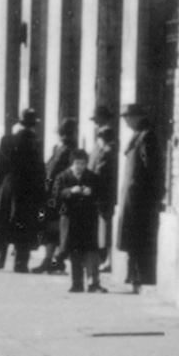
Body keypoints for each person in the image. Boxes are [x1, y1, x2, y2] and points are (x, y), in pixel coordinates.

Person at [0, 110, 45, 272]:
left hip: (8, 186)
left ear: (19, 123)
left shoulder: (7, 140)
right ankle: (21, 263)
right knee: (24, 225)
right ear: (34, 125)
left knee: (2, 224)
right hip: (28, 189)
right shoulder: (36, 142)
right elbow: (40, 170)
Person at [116, 103, 163, 292]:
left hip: (140, 199)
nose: (125, 121)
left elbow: (152, 168)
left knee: (138, 238)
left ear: (136, 117)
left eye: (127, 117)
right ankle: (133, 276)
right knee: (133, 238)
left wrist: (152, 196)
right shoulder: (139, 135)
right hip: (133, 196)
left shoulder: (147, 136)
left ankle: (140, 278)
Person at [54, 148, 105, 292]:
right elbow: (55, 196)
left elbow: (102, 194)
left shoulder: (92, 177)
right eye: (77, 163)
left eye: (83, 163)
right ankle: (77, 283)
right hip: (70, 220)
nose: (80, 166)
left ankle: (93, 283)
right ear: (72, 163)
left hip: (88, 219)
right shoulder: (63, 176)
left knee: (90, 251)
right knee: (74, 251)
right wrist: (70, 191)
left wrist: (92, 192)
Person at [37, 119, 81, 271]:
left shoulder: (66, 150)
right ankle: (52, 260)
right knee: (54, 227)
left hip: (58, 194)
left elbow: (53, 171)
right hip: (56, 193)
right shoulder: (62, 148)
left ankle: (53, 260)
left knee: (55, 227)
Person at [89, 107, 119, 265]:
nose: (96, 125)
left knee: (105, 223)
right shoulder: (102, 141)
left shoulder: (106, 140)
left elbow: (101, 166)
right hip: (99, 188)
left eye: (97, 121)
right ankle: (103, 257)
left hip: (103, 188)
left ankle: (106, 258)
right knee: (102, 223)